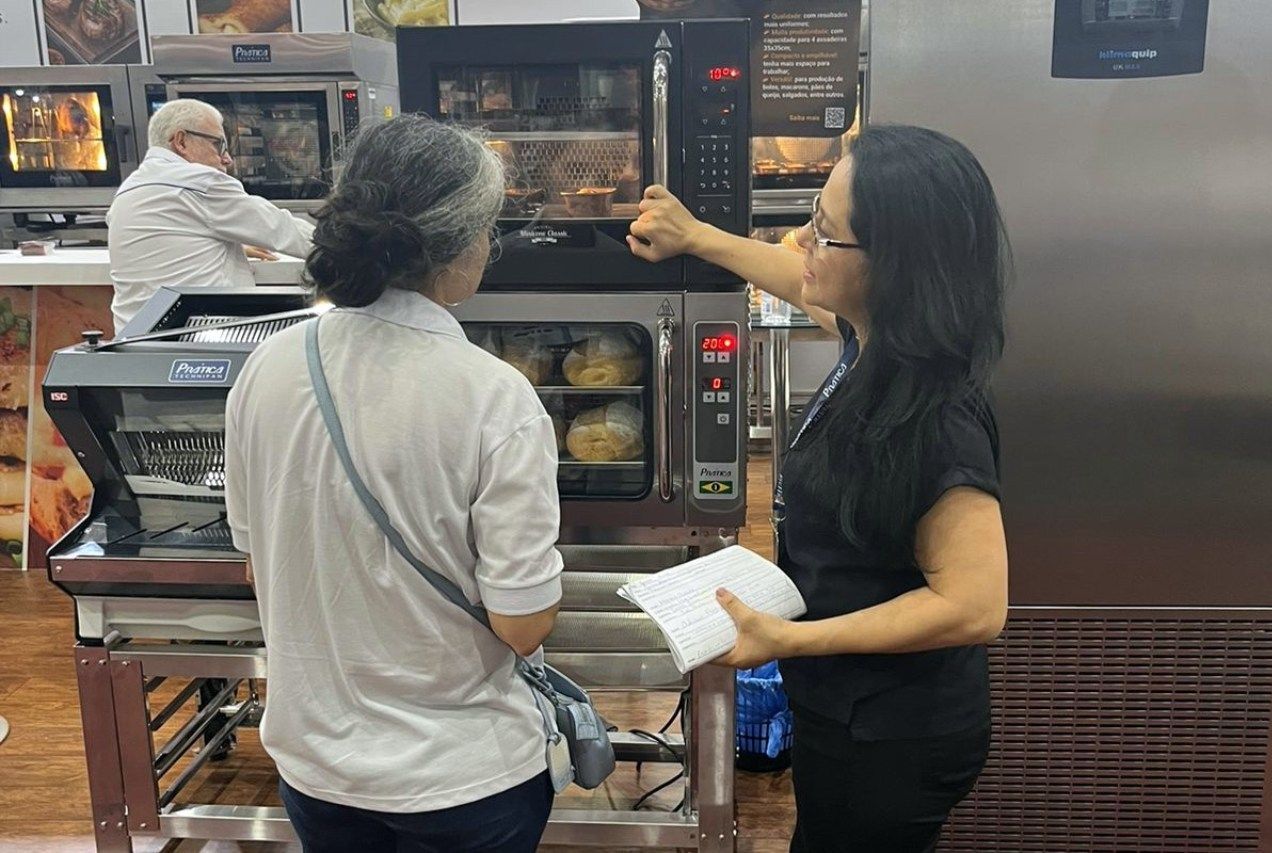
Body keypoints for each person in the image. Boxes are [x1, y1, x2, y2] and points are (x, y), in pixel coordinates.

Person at [628, 124, 1010, 852]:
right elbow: (787, 273)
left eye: (824, 232)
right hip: (848, 713)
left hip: (894, 733)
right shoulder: (874, 337)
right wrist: (696, 235)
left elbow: (974, 605)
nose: (802, 242)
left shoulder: (938, 413)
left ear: (892, 265)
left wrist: (793, 639)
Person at [223, 115, 563, 853]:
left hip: (317, 766)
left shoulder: (268, 367)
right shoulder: (494, 397)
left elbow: (258, 566)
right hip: (463, 778)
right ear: (461, 244)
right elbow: (523, 623)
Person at [106, 98, 315, 334]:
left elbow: (163, 244)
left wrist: (227, 245)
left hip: (131, 342)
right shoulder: (200, 183)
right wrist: (350, 244)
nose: (227, 159)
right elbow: (283, 230)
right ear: (181, 141)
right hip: (192, 342)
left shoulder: (128, 190)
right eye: (218, 145)